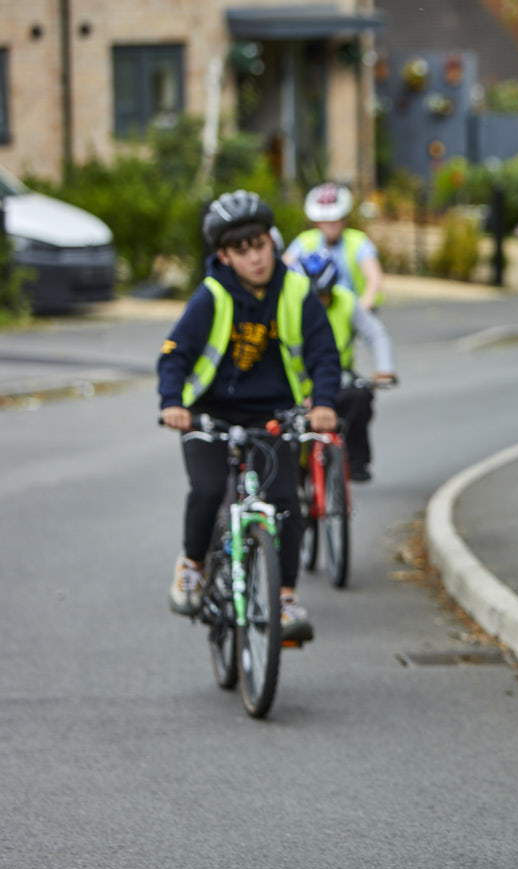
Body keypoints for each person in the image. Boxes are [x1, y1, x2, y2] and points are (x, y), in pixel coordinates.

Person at [158, 190, 341, 643]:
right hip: (209, 415)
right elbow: (175, 354)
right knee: (205, 489)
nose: (255, 258)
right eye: (242, 251)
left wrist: (322, 404)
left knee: (285, 505)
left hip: (274, 415)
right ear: (224, 255)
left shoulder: (296, 290)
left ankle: (283, 599)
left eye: (260, 245)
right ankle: (192, 566)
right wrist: (172, 404)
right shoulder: (212, 294)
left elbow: (324, 355)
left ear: (272, 242)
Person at [296, 250, 397, 482]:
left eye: (322, 295)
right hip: (297, 381)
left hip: (336, 376)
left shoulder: (346, 301)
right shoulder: (288, 303)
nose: (317, 302)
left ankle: (355, 461)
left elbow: (375, 334)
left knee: (360, 397)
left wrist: (385, 368)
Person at [283, 182, 384, 309]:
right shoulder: (305, 240)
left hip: (353, 311)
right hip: (314, 310)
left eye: (335, 220)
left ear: (344, 219)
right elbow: (283, 268)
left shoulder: (358, 241)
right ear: (317, 222)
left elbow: (374, 278)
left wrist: (362, 308)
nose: (330, 226)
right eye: (325, 221)